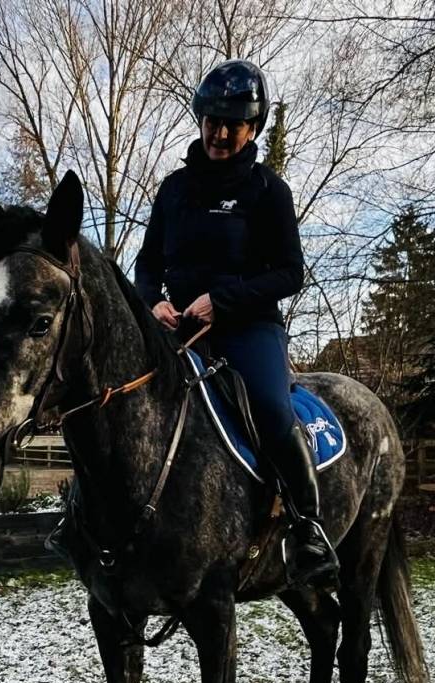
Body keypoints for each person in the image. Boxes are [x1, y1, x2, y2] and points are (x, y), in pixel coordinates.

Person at [135, 59, 339, 587]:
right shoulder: (174, 189)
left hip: (248, 328)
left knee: (272, 409)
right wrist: (151, 301)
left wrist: (221, 302)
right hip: (178, 329)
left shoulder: (269, 191)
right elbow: (147, 263)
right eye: (212, 121)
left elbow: (289, 272)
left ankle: (308, 529)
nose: (220, 133)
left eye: (234, 124)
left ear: (253, 128)